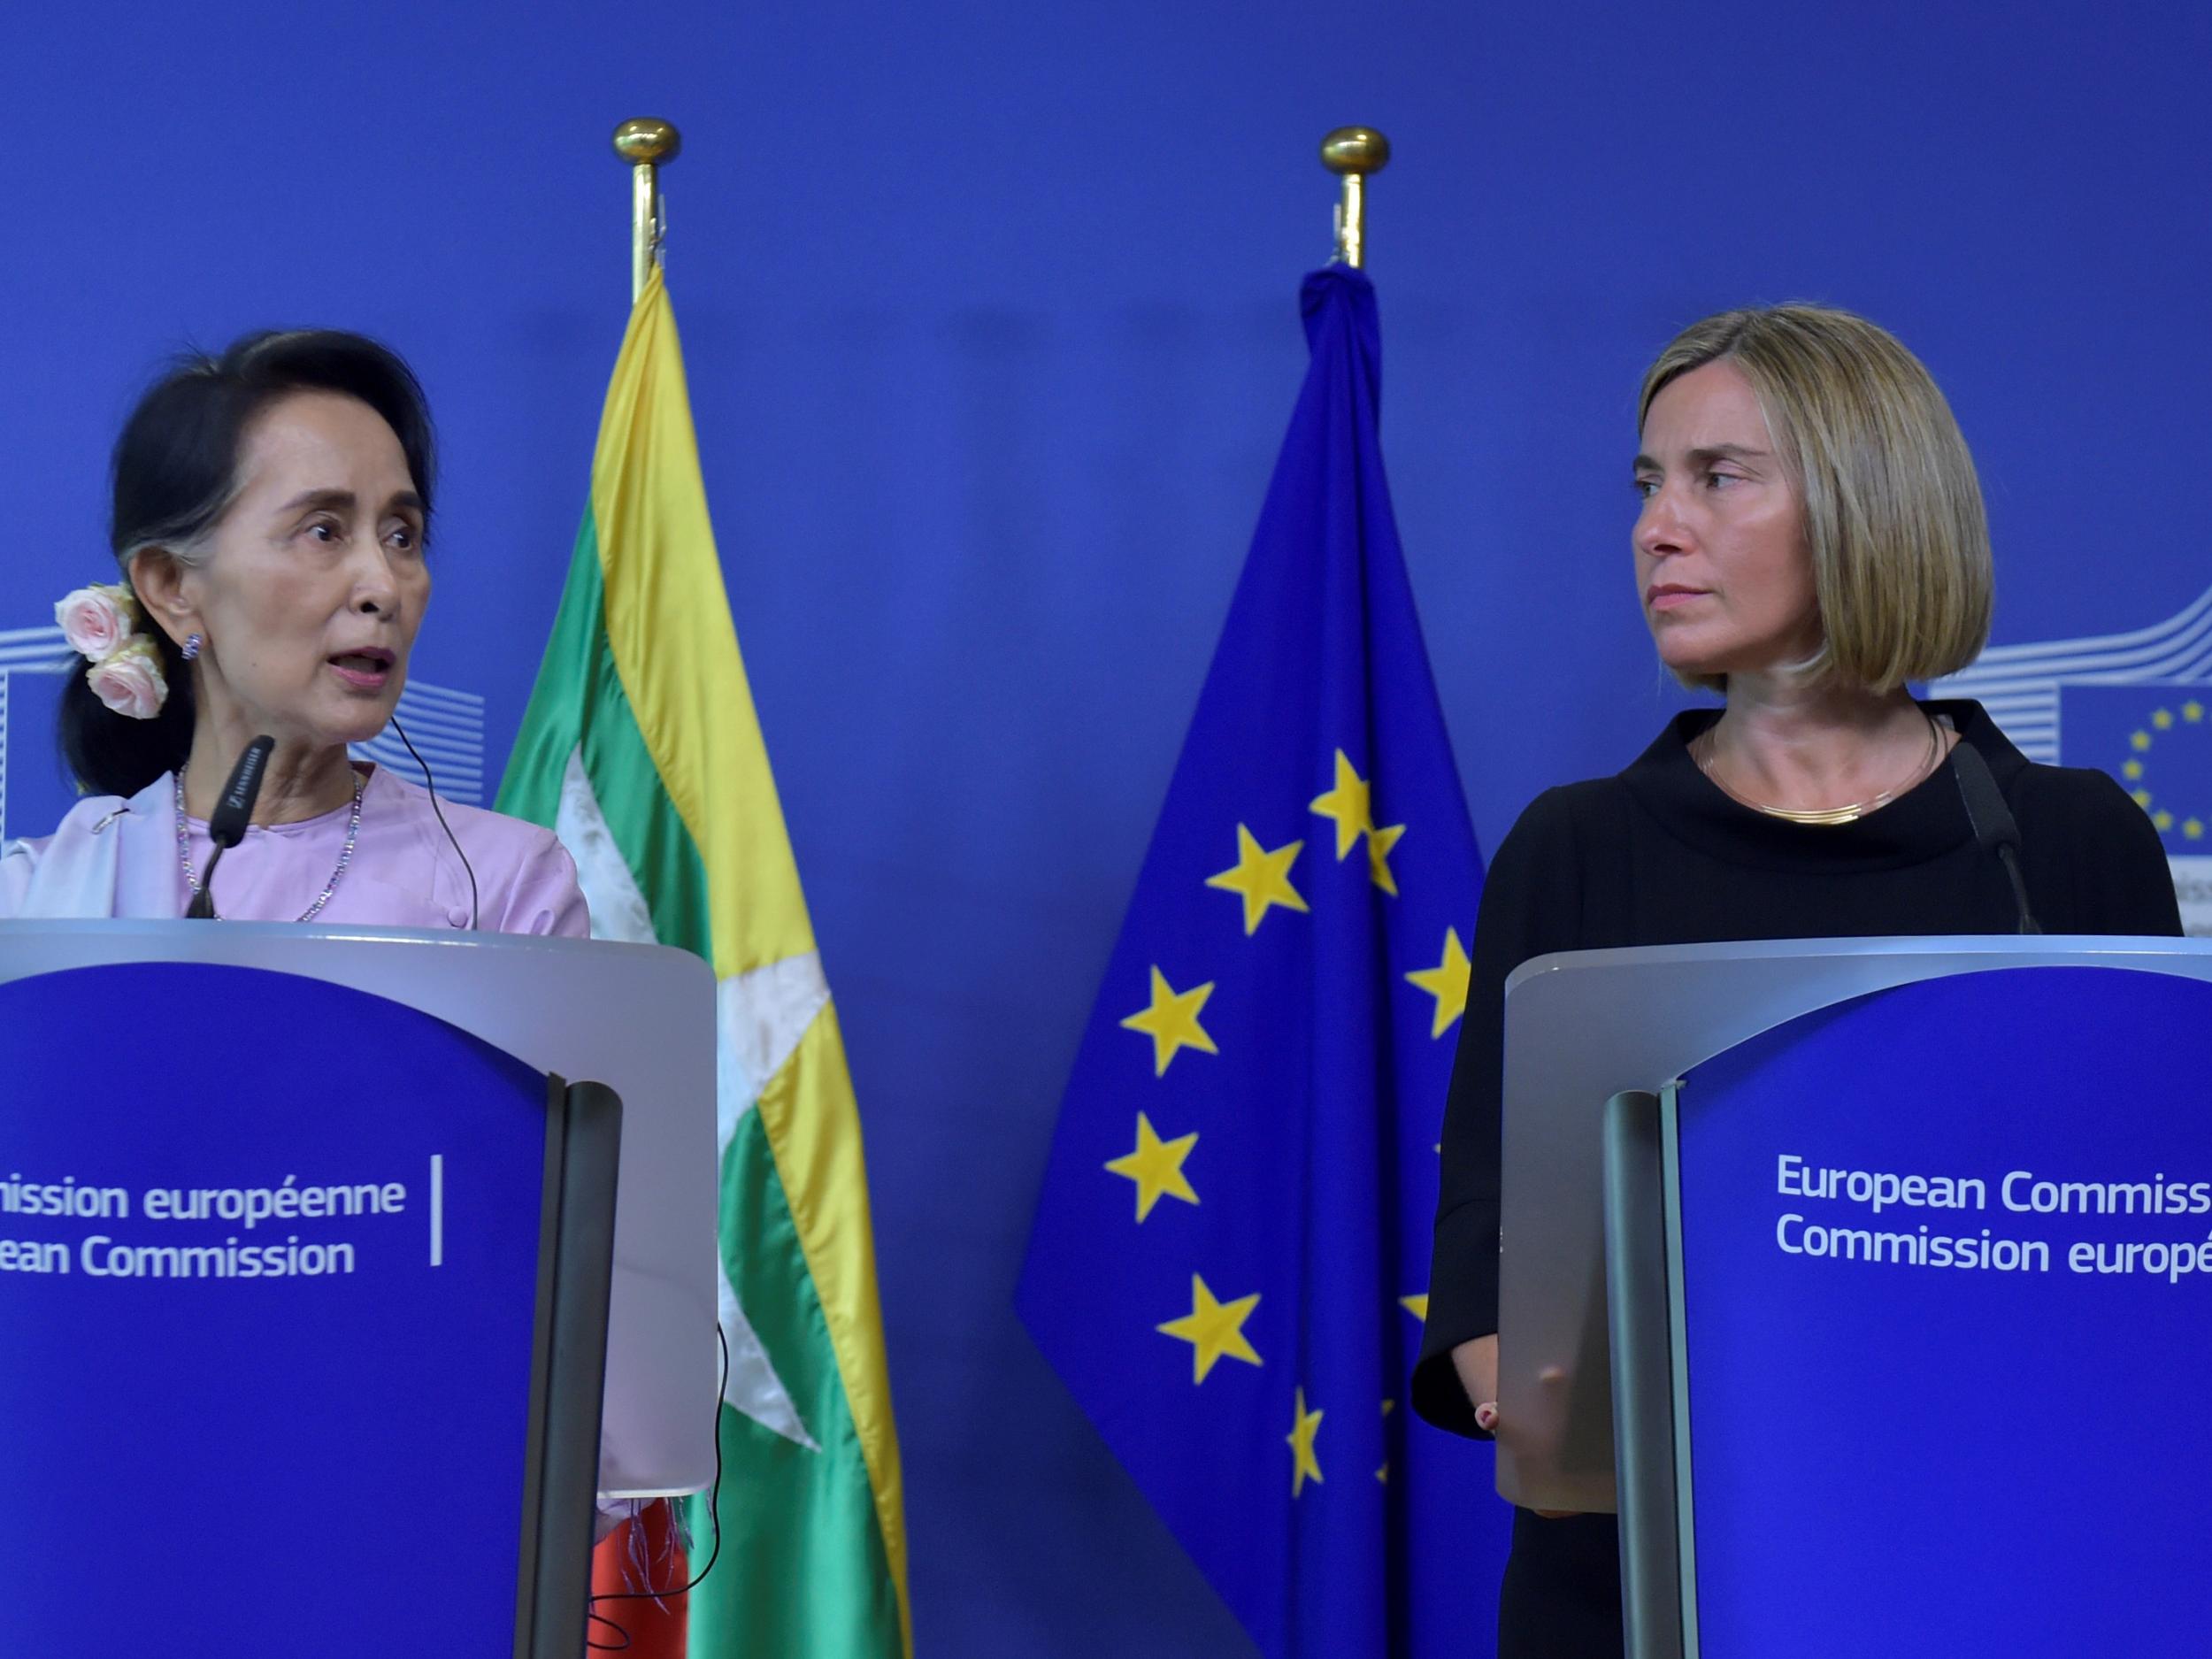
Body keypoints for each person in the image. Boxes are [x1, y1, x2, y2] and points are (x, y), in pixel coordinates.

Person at [1412, 303, 2182, 1655]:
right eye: (1648, 484)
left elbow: (2154, 1258)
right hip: (1636, 1589)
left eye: (1718, 476)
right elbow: (1490, 1276)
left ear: (1865, 501)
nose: (1658, 526)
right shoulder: (1574, 848)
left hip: (2001, 1572)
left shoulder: (2071, 841)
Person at [0, 329, 586, 935]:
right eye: (323, 531)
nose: (383, 587)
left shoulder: (504, 889)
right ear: (173, 586)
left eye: (402, 536)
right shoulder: (35, 903)